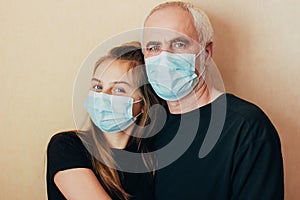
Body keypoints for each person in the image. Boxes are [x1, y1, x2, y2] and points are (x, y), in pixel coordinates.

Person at [142, 1, 284, 199]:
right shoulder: (147, 128)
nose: (164, 57)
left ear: (206, 53)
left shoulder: (246, 128)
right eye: (153, 47)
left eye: (179, 44)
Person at [46, 42, 163, 200]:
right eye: (98, 87)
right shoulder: (67, 146)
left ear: (143, 104)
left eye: (118, 89)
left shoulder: (152, 159)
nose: (103, 96)